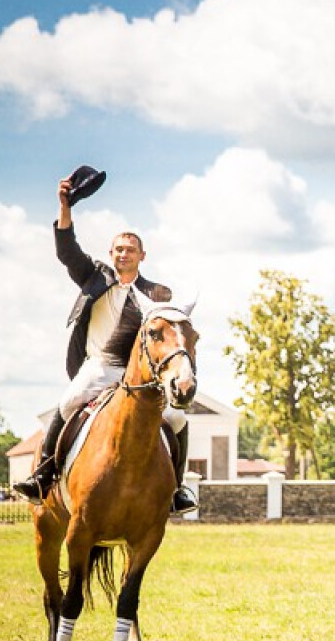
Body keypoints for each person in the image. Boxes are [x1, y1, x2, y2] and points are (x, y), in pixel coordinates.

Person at [12, 174, 197, 513]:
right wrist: (65, 207)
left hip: (137, 374)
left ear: (142, 255)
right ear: (111, 254)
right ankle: (43, 475)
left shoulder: (158, 294)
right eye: (119, 249)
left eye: (130, 250)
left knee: (178, 418)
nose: (124, 254)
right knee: (68, 402)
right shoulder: (94, 276)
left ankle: (178, 489)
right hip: (98, 367)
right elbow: (66, 251)